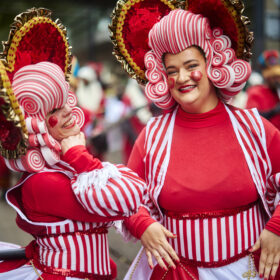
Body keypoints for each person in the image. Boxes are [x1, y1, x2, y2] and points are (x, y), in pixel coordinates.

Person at [109, 1, 280, 279]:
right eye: (172, 70)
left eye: (191, 65)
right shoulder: (152, 135)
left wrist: (277, 228)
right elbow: (125, 198)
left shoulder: (254, 127)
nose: (182, 78)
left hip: (253, 271)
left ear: (212, 64)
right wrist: (142, 224)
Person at [0, 8, 147, 280]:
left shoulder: (60, 169)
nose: (68, 111)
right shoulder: (40, 183)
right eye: (53, 111)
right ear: (36, 124)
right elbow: (125, 199)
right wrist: (79, 154)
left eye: (64, 101)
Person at [246, 50, 280, 130]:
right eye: (274, 77)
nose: (277, 80)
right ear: (266, 77)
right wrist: (274, 111)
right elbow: (251, 119)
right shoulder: (255, 92)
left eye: (278, 76)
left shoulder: (276, 92)